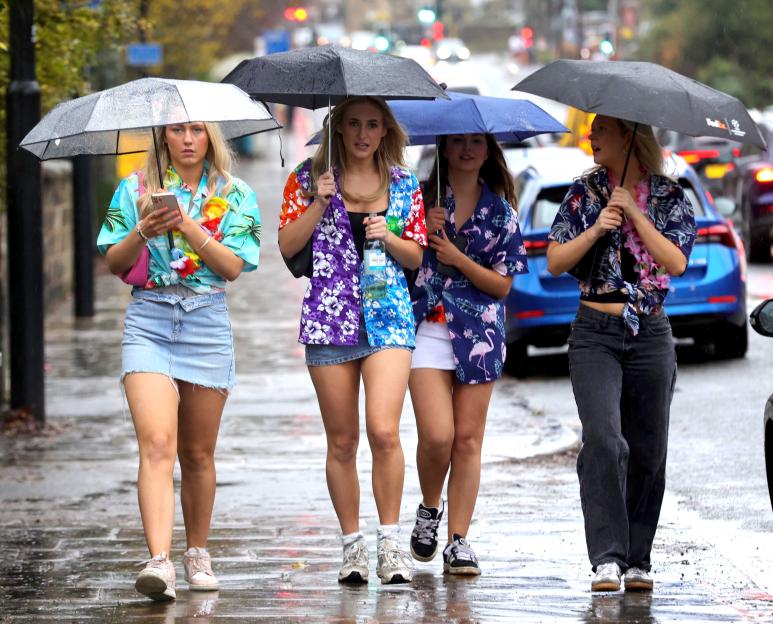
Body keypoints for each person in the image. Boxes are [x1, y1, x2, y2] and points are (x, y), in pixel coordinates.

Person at [97, 121, 262, 601]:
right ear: (162, 137)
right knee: (156, 443)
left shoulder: (236, 193)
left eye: (196, 130)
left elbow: (233, 267)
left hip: (206, 324)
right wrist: (142, 230)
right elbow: (114, 261)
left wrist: (187, 225)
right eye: (176, 130)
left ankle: (197, 553)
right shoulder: (135, 188)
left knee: (196, 453)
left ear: (210, 136)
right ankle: (159, 561)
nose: (187, 139)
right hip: (148, 318)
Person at [278, 96, 427, 585]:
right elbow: (287, 247)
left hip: (389, 319)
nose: (363, 134)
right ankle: (352, 549)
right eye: (354, 125)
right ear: (338, 129)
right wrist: (320, 202)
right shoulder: (307, 178)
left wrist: (390, 235)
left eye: (373, 125)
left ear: (386, 132)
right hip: (329, 319)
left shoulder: (405, 184)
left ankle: (389, 546)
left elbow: (417, 258)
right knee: (341, 441)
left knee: (384, 432)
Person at [546, 115, 697, 592]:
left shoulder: (671, 197)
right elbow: (554, 261)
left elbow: (674, 261)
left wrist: (635, 213)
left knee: (650, 450)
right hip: (595, 333)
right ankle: (607, 558)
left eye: (602, 129)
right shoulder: (584, 193)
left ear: (630, 137)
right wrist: (595, 229)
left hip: (651, 332)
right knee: (605, 440)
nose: (591, 135)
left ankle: (638, 559)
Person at [407, 133, 527, 575]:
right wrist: (421, 233)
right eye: (456, 141)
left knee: (468, 440)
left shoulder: (502, 214)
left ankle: (458, 540)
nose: (466, 148)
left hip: (480, 333)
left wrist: (458, 257)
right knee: (438, 436)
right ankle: (428, 508)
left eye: (476, 141)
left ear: (488, 150)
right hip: (426, 329)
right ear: (442, 148)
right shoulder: (419, 201)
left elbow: (502, 285)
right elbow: (397, 261)